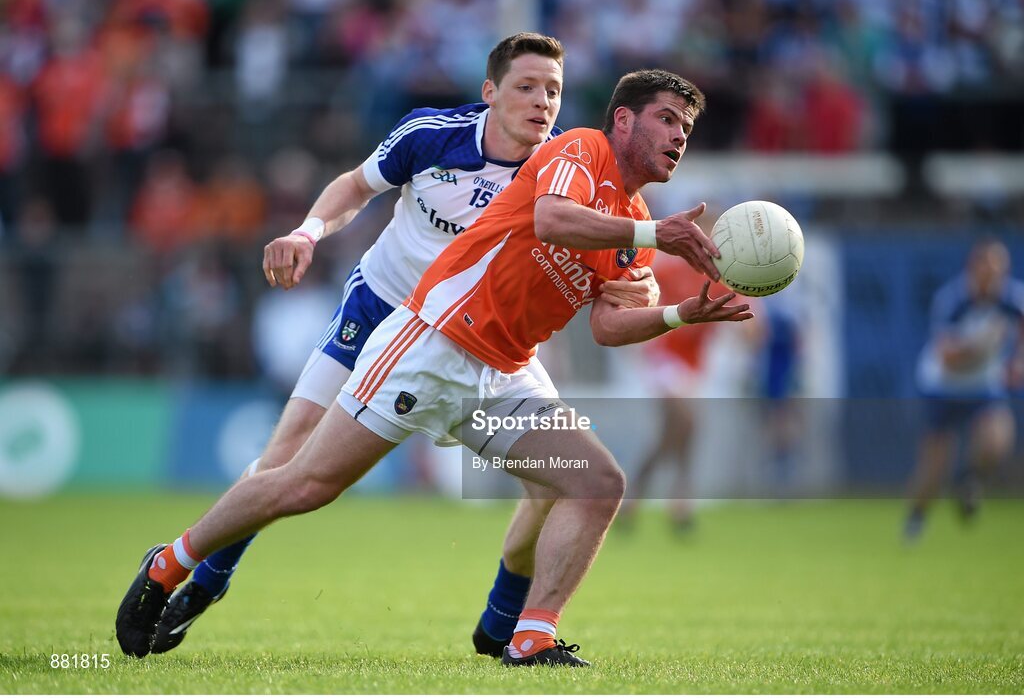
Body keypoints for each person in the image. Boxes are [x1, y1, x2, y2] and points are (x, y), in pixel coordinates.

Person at [117, 68, 753, 667]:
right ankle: (170, 563)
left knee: (594, 484)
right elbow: (549, 217)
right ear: (622, 121)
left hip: (503, 375)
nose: (678, 137)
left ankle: (529, 637)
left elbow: (609, 326)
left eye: (686, 131)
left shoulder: (636, 221)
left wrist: (680, 315)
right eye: (667, 120)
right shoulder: (580, 151)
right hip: (434, 343)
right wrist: (651, 241)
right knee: (306, 483)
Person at [905, 238, 1024, 541]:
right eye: (987, 269)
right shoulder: (953, 300)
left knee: (997, 439)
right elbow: (949, 359)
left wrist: (1017, 363)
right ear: (974, 267)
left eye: (999, 270)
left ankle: (968, 480)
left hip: (984, 385)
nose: (993, 277)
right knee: (935, 465)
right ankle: (916, 518)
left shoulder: (1012, 299)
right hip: (943, 386)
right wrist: (981, 348)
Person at [617, 254, 723, 532]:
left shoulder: (720, 280)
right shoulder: (669, 271)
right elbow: (644, 301)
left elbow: (748, 322)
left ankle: (633, 496)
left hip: (692, 366)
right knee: (688, 421)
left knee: (675, 434)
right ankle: (681, 500)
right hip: (663, 358)